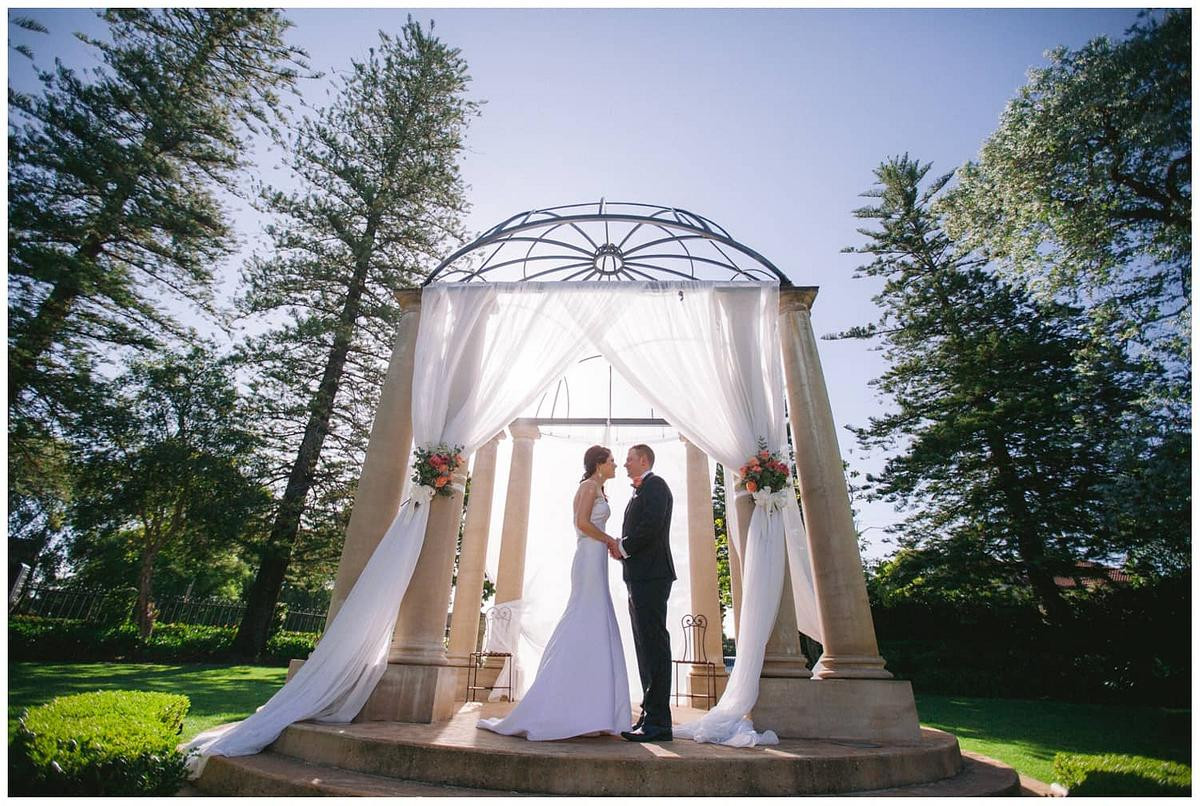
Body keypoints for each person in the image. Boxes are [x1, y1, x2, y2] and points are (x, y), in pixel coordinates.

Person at [476, 445, 630, 741]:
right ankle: (570, 707)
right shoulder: (587, 486)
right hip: (588, 556)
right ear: (599, 464)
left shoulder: (599, 488)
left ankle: (593, 710)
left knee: (596, 622)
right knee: (586, 617)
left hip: (595, 558)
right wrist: (611, 540)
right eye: (611, 461)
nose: (615, 465)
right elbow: (581, 523)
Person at [610, 443, 676, 742]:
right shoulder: (639, 489)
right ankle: (649, 715)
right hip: (638, 577)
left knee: (654, 646)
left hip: (652, 575)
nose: (625, 464)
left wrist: (623, 546)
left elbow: (651, 526)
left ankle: (660, 723)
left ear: (644, 460)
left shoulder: (656, 485)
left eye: (629, 459)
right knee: (644, 646)